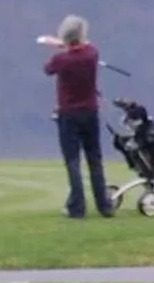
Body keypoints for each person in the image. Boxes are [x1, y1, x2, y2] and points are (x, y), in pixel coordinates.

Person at [38, 14, 115, 219]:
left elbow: (48, 69)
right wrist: (64, 44)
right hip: (90, 112)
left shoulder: (61, 59)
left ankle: (77, 207)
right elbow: (84, 47)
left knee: (73, 161)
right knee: (95, 160)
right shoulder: (92, 54)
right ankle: (104, 206)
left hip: (68, 115)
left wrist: (58, 45)